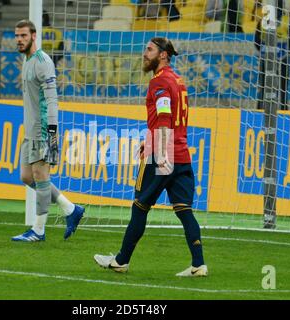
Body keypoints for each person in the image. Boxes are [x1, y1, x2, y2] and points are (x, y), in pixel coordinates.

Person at [94, 37, 207, 277]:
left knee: (140, 206)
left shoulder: (160, 82)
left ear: (163, 55)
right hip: (182, 154)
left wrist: (159, 148)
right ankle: (199, 264)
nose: (145, 53)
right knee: (185, 210)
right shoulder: (179, 80)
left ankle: (121, 261)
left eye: (149, 49)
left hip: (162, 154)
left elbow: (165, 115)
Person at [11, 20, 84, 242]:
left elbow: (52, 100)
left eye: (23, 35)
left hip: (43, 129)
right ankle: (71, 209)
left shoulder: (43, 62)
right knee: (26, 176)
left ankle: (39, 230)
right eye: (17, 36)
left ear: (34, 36)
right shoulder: (27, 62)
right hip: (30, 130)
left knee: (41, 176)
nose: (19, 40)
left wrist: (52, 132)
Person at [254, 0, 290, 111]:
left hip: (282, 59)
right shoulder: (262, 20)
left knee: (282, 87)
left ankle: (283, 109)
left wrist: (282, 53)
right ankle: (261, 109)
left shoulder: (287, 20)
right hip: (266, 58)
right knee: (263, 85)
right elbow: (257, 40)